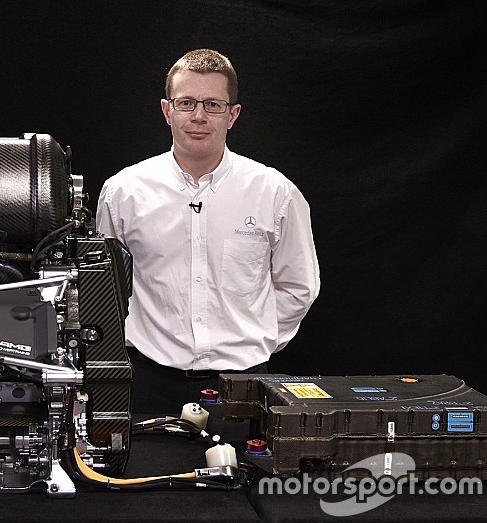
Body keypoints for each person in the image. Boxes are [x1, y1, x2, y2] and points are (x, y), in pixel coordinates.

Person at [96, 49, 320, 413]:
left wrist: (252, 339)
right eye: (186, 103)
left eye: (213, 105)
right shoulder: (123, 192)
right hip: (148, 384)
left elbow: (298, 287)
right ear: (167, 110)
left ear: (233, 115)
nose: (198, 116)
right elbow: (105, 289)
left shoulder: (275, 193)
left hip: (244, 387)